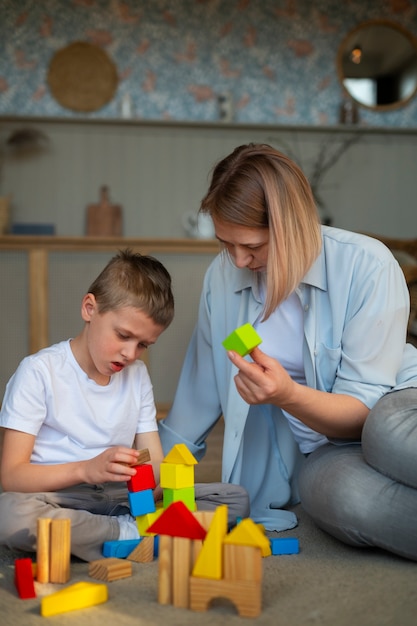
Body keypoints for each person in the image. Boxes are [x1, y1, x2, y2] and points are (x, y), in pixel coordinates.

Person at [158, 143, 417, 561]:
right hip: (327, 450)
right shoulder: (223, 279)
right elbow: (197, 399)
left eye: (254, 248)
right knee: (336, 495)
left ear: (292, 226)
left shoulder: (366, 265)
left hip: (394, 411)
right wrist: (137, 472)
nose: (239, 261)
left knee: (386, 434)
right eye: (227, 245)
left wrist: (287, 395)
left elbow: (363, 412)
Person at [0, 249, 249, 562]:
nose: (131, 354)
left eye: (143, 344)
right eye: (123, 335)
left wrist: (154, 483)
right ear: (90, 308)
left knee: (233, 498)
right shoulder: (39, 372)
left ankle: (110, 532)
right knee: (9, 516)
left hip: (121, 498)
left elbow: (154, 462)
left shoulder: (137, 376)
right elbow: (12, 475)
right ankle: (128, 534)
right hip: (60, 497)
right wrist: (86, 469)